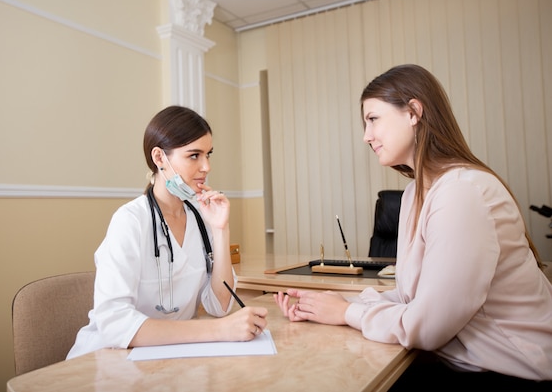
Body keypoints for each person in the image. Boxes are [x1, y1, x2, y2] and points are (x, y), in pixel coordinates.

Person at [274, 64, 552, 388]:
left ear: (413, 112)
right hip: (465, 360)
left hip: (514, 370)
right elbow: (413, 299)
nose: (366, 136)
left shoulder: (462, 192)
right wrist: (331, 303)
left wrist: (346, 314)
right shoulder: (414, 194)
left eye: (373, 119)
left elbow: (429, 326)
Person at [67, 105, 267, 359]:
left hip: (170, 358)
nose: (206, 166)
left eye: (208, 154)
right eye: (194, 155)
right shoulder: (129, 221)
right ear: (160, 158)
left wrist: (220, 230)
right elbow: (114, 325)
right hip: (108, 360)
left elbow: (220, 306)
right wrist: (216, 330)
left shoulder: (200, 219)